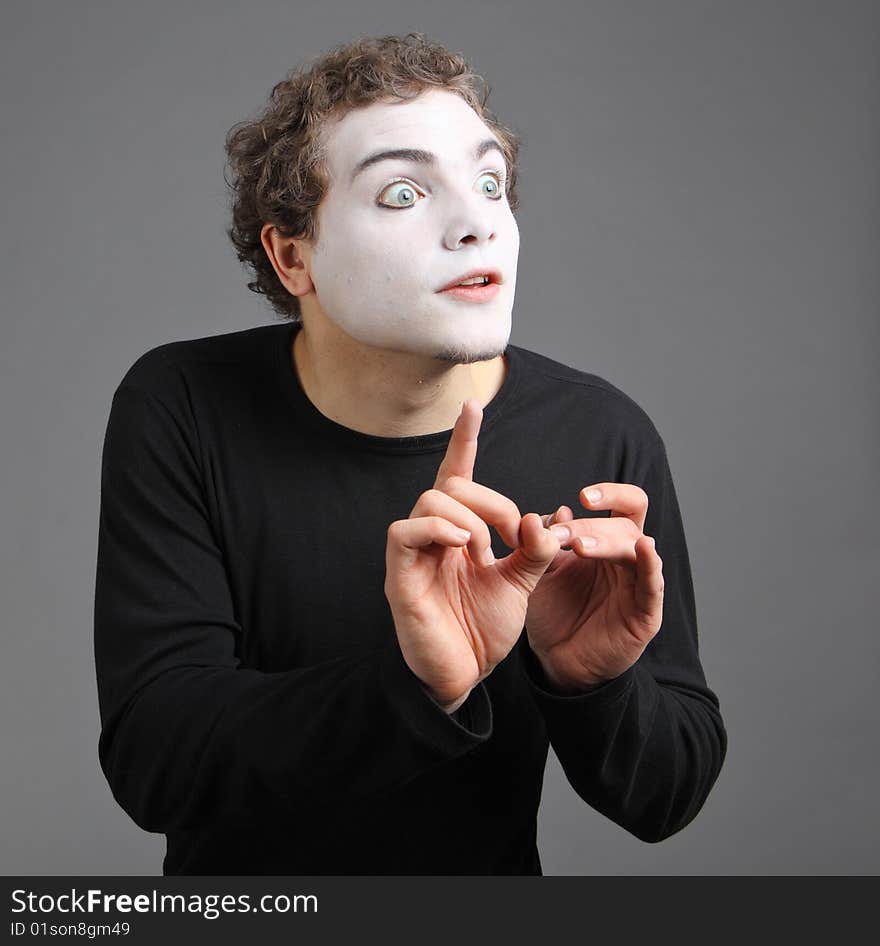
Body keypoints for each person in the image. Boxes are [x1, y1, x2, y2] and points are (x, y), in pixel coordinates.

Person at [93, 32, 727, 875]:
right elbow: (154, 762)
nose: (475, 225)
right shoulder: (183, 406)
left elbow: (667, 798)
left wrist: (591, 684)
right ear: (293, 255)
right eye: (401, 192)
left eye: (491, 182)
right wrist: (415, 687)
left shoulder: (601, 436)